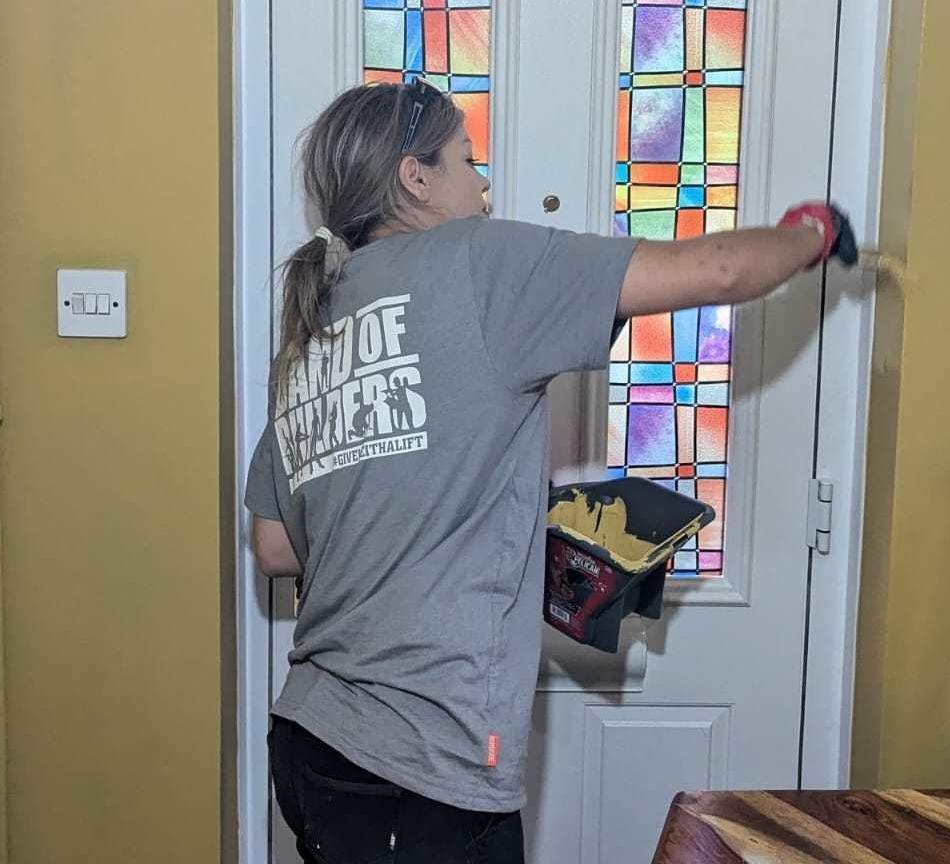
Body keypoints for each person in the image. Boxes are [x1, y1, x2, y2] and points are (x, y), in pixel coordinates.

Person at [246, 78, 856, 864]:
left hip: (311, 744)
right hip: (422, 768)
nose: (486, 183)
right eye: (469, 158)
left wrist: (468, 520)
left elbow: (275, 547)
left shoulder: (314, 323)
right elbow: (723, 271)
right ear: (415, 177)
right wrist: (811, 233)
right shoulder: (477, 263)